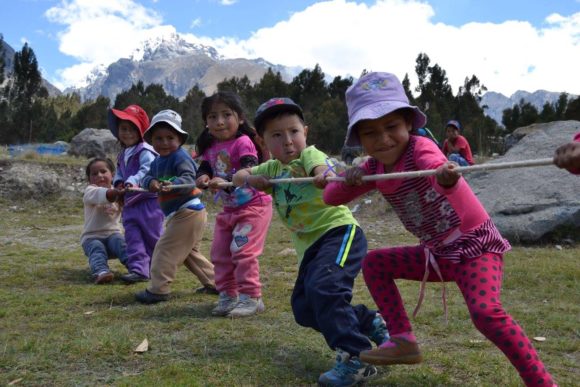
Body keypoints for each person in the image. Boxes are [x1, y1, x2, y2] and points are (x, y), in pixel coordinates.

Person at [323, 72, 556, 387]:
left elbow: (437, 169)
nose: (383, 139)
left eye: (391, 127)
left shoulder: (420, 149)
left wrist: (445, 179)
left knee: (486, 314)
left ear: (408, 125)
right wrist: (349, 178)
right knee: (375, 263)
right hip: (438, 255)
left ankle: (542, 383)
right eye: (370, 133)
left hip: (476, 248)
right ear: (359, 139)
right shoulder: (373, 168)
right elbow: (330, 197)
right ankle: (403, 339)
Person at [232, 97, 389, 387]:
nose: (288, 141)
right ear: (262, 140)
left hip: (339, 233)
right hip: (311, 249)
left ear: (305, 131)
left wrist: (322, 175)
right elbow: (240, 175)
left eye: (293, 132)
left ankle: (358, 357)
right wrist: (248, 178)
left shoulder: (310, 156)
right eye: (277, 136)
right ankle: (370, 322)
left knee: (325, 288)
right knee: (304, 308)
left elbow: (321, 167)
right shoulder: (271, 170)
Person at [195, 91, 273, 318]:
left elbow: (248, 168)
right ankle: (229, 295)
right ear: (206, 122)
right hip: (229, 209)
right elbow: (206, 167)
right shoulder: (210, 147)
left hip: (253, 206)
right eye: (212, 116)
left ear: (239, 118)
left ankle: (252, 297)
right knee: (219, 253)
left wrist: (226, 183)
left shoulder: (243, 142)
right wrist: (203, 177)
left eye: (226, 114)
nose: (219, 122)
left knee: (242, 250)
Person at [134, 109, 216, 304]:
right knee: (189, 254)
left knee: (164, 249)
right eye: (158, 138)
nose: (164, 143)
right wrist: (151, 183)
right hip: (183, 213)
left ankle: (158, 289)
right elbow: (147, 178)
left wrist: (172, 184)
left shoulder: (180, 157)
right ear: (151, 140)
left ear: (179, 139)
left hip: (188, 211)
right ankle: (217, 283)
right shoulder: (157, 161)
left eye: (170, 137)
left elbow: (190, 178)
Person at [108, 104, 164, 283]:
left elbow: (147, 169)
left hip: (149, 202)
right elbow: (119, 171)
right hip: (130, 203)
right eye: (124, 129)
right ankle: (139, 270)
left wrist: (132, 180)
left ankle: (159, 268)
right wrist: (117, 182)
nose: (127, 133)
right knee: (132, 236)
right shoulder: (122, 154)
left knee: (153, 236)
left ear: (141, 132)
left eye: (132, 129)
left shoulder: (146, 151)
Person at [81, 158, 129, 284]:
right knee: (96, 248)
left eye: (103, 171)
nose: (99, 176)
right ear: (89, 179)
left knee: (121, 243)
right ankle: (101, 272)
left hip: (113, 234)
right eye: (94, 174)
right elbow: (105, 194)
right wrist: (118, 192)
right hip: (92, 237)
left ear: (112, 175)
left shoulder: (119, 192)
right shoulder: (90, 191)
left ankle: (136, 267)